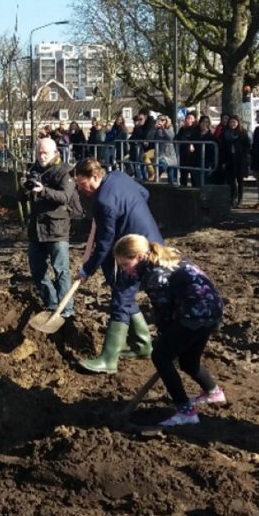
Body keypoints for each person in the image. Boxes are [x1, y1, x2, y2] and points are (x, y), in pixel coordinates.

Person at [113, 233, 225, 430]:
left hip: (195, 314)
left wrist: (166, 338)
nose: (124, 270)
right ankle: (213, 393)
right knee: (189, 362)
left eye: (124, 264)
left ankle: (185, 411)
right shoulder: (168, 255)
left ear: (139, 257)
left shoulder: (154, 276)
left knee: (161, 357)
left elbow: (164, 311)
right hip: (212, 309)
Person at [72, 157, 162, 372]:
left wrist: (87, 270)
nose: (81, 189)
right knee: (122, 291)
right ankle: (142, 345)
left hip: (138, 252)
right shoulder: (118, 176)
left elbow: (103, 245)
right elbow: (144, 194)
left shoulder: (103, 202)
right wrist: (129, 214)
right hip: (150, 238)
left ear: (95, 177)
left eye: (82, 184)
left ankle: (108, 360)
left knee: (121, 297)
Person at [24, 137, 79, 322]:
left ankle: (67, 309)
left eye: (45, 153)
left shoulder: (65, 172)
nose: (41, 156)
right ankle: (51, 303)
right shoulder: (33, 170)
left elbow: (64, 196)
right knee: (37, 271)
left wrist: (43, 191)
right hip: (36, 230)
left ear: (55, 152)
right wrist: (25, 187)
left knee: (61, 270)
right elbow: (21, 197)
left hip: (57, 229)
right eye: (39, 152)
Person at [217, 116, 251, 207]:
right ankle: (232, 198)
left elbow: (247, 146)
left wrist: (244, 156)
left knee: (240, 180)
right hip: (229, 159)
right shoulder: (225, 133)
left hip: (240, 160)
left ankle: (240, 199)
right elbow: (222, 147)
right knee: (231, 181)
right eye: (231, 122)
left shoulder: (242, 133)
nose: (232, 124)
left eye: (234, 122)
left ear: (238, 123)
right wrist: (223, 161)